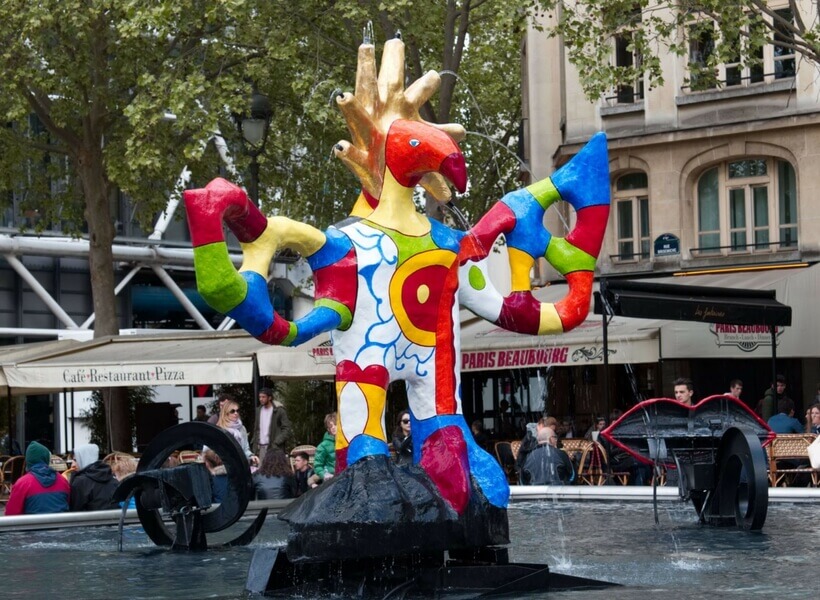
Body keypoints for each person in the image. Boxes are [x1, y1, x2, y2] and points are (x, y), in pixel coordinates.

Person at [4, 441, 70, 516]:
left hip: (33, 526)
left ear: (28, 461)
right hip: (61, 526)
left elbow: (11, 514)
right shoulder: (63, 480)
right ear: (47, 458)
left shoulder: (23, 483)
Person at [69, 443, 119, 512]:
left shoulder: (80, 482)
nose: (72, 465)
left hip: (88, 521)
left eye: (75, 460)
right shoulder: (113, 478)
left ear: (84, 458)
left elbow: (75, 509)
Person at [252, 387, 292, 461]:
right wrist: (255, 447)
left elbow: (287, 429)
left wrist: (276, 442)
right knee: (262, 471)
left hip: (274, 447)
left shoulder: (279, 410)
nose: (261, 399)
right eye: (259, 397)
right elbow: (256, 429)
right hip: (261, 447)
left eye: (263, 397)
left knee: (275, 470)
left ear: (269, 397)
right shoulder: (258, 410)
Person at [215, 399, 258, 467]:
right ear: (226, 413)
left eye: (237, 411)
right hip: (223, 468)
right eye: (232, 411)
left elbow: (245, 449)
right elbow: (208, 450)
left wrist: (251, 456)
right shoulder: (219, 429)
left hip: (240, 466)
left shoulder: (242, 428)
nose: (236, 413)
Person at [310, 412, 337, 488]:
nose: (333, 427)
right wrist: (324, 474)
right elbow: (317, 465)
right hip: (331, 480)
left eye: (335, 424)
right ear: (328, 429)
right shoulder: (323, 446)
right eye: (330, 426)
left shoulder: (346, 442)